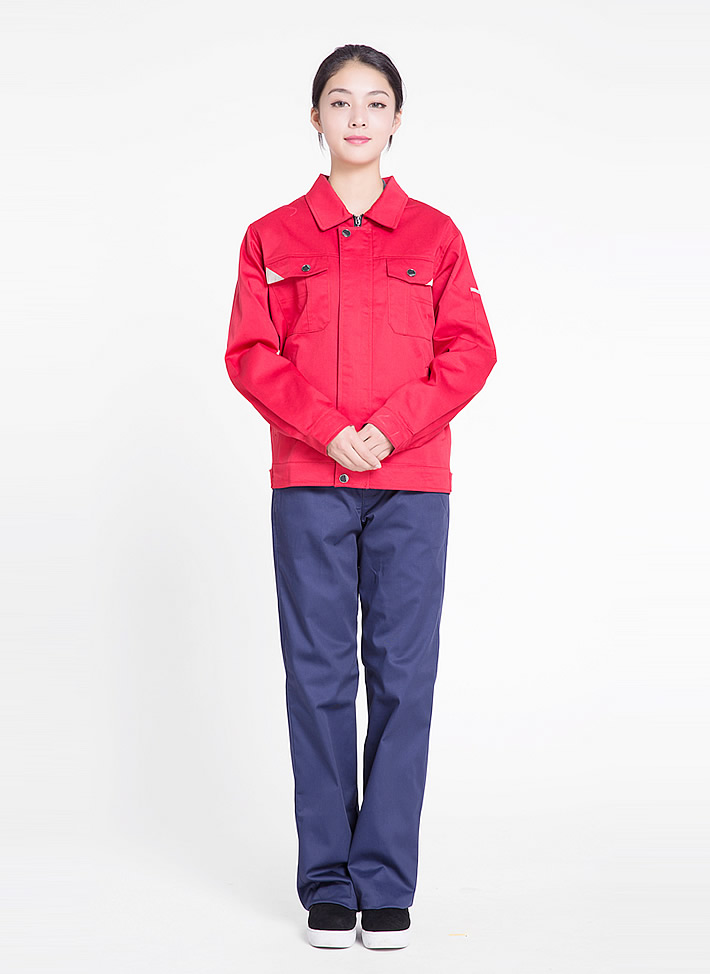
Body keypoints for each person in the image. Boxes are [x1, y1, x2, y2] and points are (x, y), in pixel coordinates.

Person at [225, 43, 497, 950]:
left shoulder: (435, 236)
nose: (357, 117)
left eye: (374, 103)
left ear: (396, 120)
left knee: (404, 679)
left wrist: (389, 429)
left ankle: (384, 879)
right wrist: (324, 427)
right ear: (315, 117)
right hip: (309, 482)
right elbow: (250, 353)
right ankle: (327, 883)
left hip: (410, 485)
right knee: (318, 678)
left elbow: (470, 350)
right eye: (339, 101)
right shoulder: (271, 237)